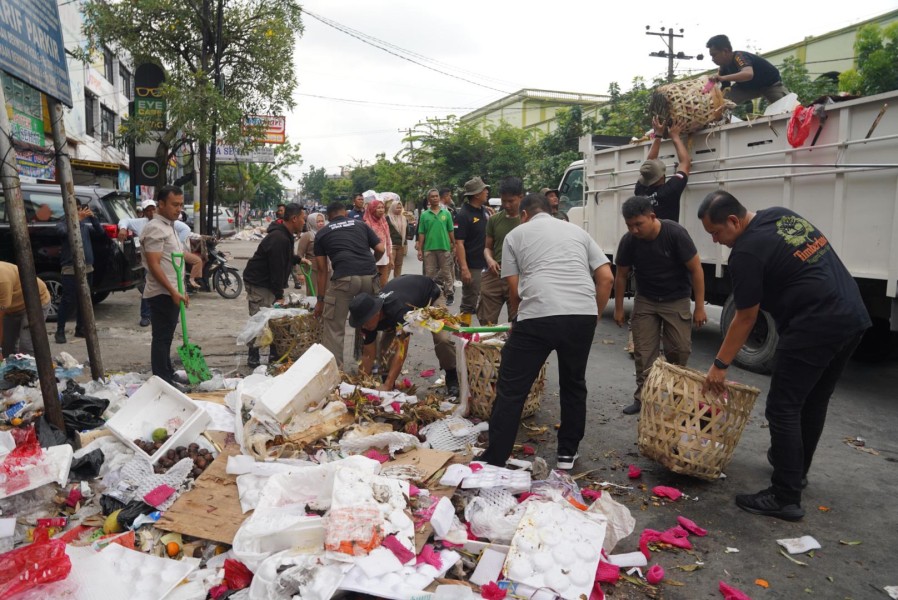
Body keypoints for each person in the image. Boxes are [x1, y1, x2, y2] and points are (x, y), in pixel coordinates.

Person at [698, 191, 870, 521]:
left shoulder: (745, 251)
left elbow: (746, 316)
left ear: (734, 221)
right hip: (852, 315)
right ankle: (796, 472)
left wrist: (720, 365)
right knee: (814, 398)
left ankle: (785, 496)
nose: (717, 241)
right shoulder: (780, 215)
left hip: (815, 324)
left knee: (783, 406)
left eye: (716, 233)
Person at [479, 193, 613, 469]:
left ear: (525, 214)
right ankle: (567, 453)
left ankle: (496, 457)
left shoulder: (517, 235)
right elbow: (606, 277)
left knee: (512, 387)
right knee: (573, 383)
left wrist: (517, 319)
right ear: (549, 211)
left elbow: (514, 289)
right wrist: (594, 315)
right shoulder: (577, 231)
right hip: (581, 315)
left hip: (538, 315)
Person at [613, 196, 707, 415]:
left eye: (639, 224)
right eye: (629, 225)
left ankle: (678, 399)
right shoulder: (629, 241)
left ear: (652, 217)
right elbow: (621, 276)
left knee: (679, 351)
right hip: (646, 300)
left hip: (676, 300)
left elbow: (696, 269)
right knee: (644, 353)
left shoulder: (675, 233)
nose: (634, 230)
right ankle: (643, 398)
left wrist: (700, 307)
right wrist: (618, 308)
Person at [349, 274, 459, 396]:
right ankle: (387, 379)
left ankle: (452, 376)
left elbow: (401, 352)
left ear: (376, 313)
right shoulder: (368, 320)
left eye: (365, 322)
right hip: (402, 298)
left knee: (442, 339)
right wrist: (360, 384)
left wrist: (387, 385)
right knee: (386, 348)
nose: (363, 327)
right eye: (361, 323)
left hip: (430, 298)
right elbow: (368, 355)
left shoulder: (398, 311)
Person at [313, 201, 384, 369]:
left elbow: (323, 271)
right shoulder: (361, 225)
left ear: (329, 217)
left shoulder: (322, 233)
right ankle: (370, 364)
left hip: (343, 279)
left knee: (334, 327)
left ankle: (336, 371)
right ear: (345, 213)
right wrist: (371, 264)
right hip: (369, 276)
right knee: (370, 321)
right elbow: (380, 248)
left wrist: (321, 300)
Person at [243, 203, 306, 368]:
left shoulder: (285, 235)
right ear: (294, 219)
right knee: (259, 318)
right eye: (302, 219)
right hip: (260, 282)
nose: (303, 223)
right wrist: (279, 294)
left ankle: (275, 352)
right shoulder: (279, 237)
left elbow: (284, 257)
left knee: (273, 318)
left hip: (268, 282)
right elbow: (276, 267)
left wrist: (298, 259)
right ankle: (253, 355)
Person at [140, 186, 189, 387]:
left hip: (172, 291)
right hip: (162, 293)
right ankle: (162, 379)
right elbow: (154, 264)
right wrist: (172, 291)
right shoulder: (155, 228)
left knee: (167, 336)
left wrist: (182, 290)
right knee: (161, 337)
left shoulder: (169, 226)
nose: (179, 209)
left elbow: (173, 260)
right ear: (160, 204)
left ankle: (167, 373)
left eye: (181, 205)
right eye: (174, 204)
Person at [55, 200, 101, 344]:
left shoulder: (84, 225)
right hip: (70, 268)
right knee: (68, 299)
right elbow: (63, 233)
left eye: (80, 208)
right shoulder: (62, 223)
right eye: (76, 208)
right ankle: (60, 330)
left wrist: (93, 218)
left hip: (87, 267)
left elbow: (100, 232)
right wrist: (77, 220)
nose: (79, 211)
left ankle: (80, 328)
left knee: (85, 298)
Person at [479, 177, 522, 325]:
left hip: (519, 277)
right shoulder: (494, 220)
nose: (507, 205)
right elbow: (487, 248)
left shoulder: (528, 221)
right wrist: (490, 260)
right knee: (486, 321)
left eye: (511, 201)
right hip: (495, 274)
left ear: (520, 197)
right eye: (504, 201)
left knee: (518, 321)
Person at [635, 118, 691, 223]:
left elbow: (649, 165)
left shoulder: (640, 191)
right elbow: (685, 163)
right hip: (667, 237)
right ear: (661, 176)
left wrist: (658, 135)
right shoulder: (669, 191)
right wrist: (675, 137)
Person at [706, 34, 788, 106]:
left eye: (714, 55)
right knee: (722, 100)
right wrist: (708, 90)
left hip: (770, 85)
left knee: (786, 109)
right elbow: (723, 89)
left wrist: (723, 78)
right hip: (748, 88)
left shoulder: (739, 57)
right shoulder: (723, 68)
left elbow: (748, 74)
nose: (712, 59)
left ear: (725, 51)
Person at [454, 177, 491, 325]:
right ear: (476, 194)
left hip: (486, 264)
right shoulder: (463, 215)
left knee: (487, 300)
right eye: (484, 190)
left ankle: (484, 334)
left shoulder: (484, 211)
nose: (487, 192)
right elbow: (459, 243)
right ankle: (465, 335)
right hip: (472, 265)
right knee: (469, 301)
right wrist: (464, 269)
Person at [119, 199, 159, 327]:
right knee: (148, 288)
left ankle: (167, 315)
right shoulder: (141, 223)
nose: (152, 212)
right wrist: (123, 229)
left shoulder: (164, 221)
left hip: (165, 260)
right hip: (150, 261)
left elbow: (183, 229)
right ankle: (146, 316)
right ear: (144, 212)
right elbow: (124, 220)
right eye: (148, 210)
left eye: (153, 208)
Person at [0, 262, 51, 357]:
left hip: (35, 302)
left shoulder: (2, 281)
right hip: (11, 306)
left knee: (27, 346)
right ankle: (11, 370)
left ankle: (33, 370)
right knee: (6, 346)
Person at [416, 188, 456, 302]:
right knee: (429, 275)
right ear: (429, 199)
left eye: (436, 196)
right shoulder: (424, 215)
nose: (435, 198)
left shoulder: (446, 213)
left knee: (446, 272)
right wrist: (420, 249)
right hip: (429, 249)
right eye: (432, 196)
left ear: (439, 197)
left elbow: (451, 230)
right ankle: (430, 295)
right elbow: (421, 233)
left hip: (444, 247)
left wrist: (454, 244)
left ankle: (449, 294)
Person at [363, 198, 393, 289]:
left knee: (384, 284)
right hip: (372, 258)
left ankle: (382, 302)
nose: (381, 210)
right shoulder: (366, 223)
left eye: (382, 207)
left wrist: (390, 257)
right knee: (372, 286)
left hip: (384, 258)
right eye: (378, 208)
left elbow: (388, 239)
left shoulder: (383, 221)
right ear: (372, 209)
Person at [296, 212, 327, 292]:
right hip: (312, 270)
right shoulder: (307, 235)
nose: (321, 223)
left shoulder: (326, 233)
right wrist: (300, 273)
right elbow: (299, 255)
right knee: (313, 293)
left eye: (322, 221)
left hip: (327, 269)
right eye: (318, 221)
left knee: (327, 293)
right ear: (312, 222)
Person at [386, 199, 409, 280]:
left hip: (401, 245)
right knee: (389, 265)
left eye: (400, 208)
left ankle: (397, 282)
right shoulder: (387, 218)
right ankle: (384, 284)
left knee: (399, 265)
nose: (399, 209)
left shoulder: (404, 218)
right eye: (397, 208)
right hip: (391, 245)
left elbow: (407, 232)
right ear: (392, 208)